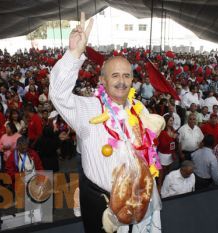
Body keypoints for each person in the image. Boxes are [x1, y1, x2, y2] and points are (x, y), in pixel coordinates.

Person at [49, 13, 162, 233]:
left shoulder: (139, 110)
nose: (121, 81)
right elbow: (59, 95)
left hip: (140, 197)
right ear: (102, 79)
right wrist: (74, 53)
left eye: (127, 76)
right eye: (115, 75)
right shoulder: (88, 110)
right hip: (101, 202)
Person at [157, 114, 178, 190]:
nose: (172, 122)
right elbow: (162, 145)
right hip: (163, 154)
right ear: (166, 121)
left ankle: (166, 183)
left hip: (170, 153)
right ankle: (159, 185)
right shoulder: (162, 132)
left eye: (172, 120)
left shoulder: (173, 130)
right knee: (161, 171)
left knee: (168, 170)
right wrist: (171, 138)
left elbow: (174, 143)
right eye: (170, 120)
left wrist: (175, 139)